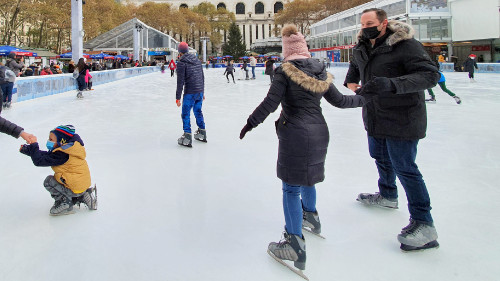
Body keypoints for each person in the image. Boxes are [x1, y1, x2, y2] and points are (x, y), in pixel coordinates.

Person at [239, 24, 364, 275]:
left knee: (290, 187)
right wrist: (366, 98)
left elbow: (270, 103)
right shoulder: (320, 71)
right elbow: (340, 101)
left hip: (295, 133)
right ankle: (311, 217)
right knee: (308, 179)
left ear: (287, 50)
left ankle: (294, 243)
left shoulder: (285, 72)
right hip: (320, 132)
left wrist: (250, 122)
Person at [344, 8, 440, 251]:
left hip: (403, 115)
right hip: (375, 113)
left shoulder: (406, 45)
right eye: (363, 23)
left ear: (384, 23)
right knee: (380, 156)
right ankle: (387, 195)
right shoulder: (362, 45)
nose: (365, 27)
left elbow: (430, 75)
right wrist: (352, 79)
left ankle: (424, 223)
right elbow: (357, 64)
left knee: (405, 167)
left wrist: (392, 85)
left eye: (370, 23)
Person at [19, 125, 97, 216]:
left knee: (49, 181)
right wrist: (29, 150)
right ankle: (83, 195)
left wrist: (33, 145)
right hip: (82, 184)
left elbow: (39, 161)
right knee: (69, 182)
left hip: (75, 187)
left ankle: (65, 203)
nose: (49, 141)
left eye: (51, 139)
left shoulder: (62, 155)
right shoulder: (69, 150)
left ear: (62, 141)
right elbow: (48, 156)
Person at [175, 42, 207, 147]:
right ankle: (202, 132)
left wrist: (178, 98)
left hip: (190, 92)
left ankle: (187, 136)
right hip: (199, 91)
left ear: (179, 52)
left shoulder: (181, 63)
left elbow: (180, 82)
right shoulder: (197, 60)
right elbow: (202, 76)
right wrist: (203, 92)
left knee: (185, 113)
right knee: (198, 111)